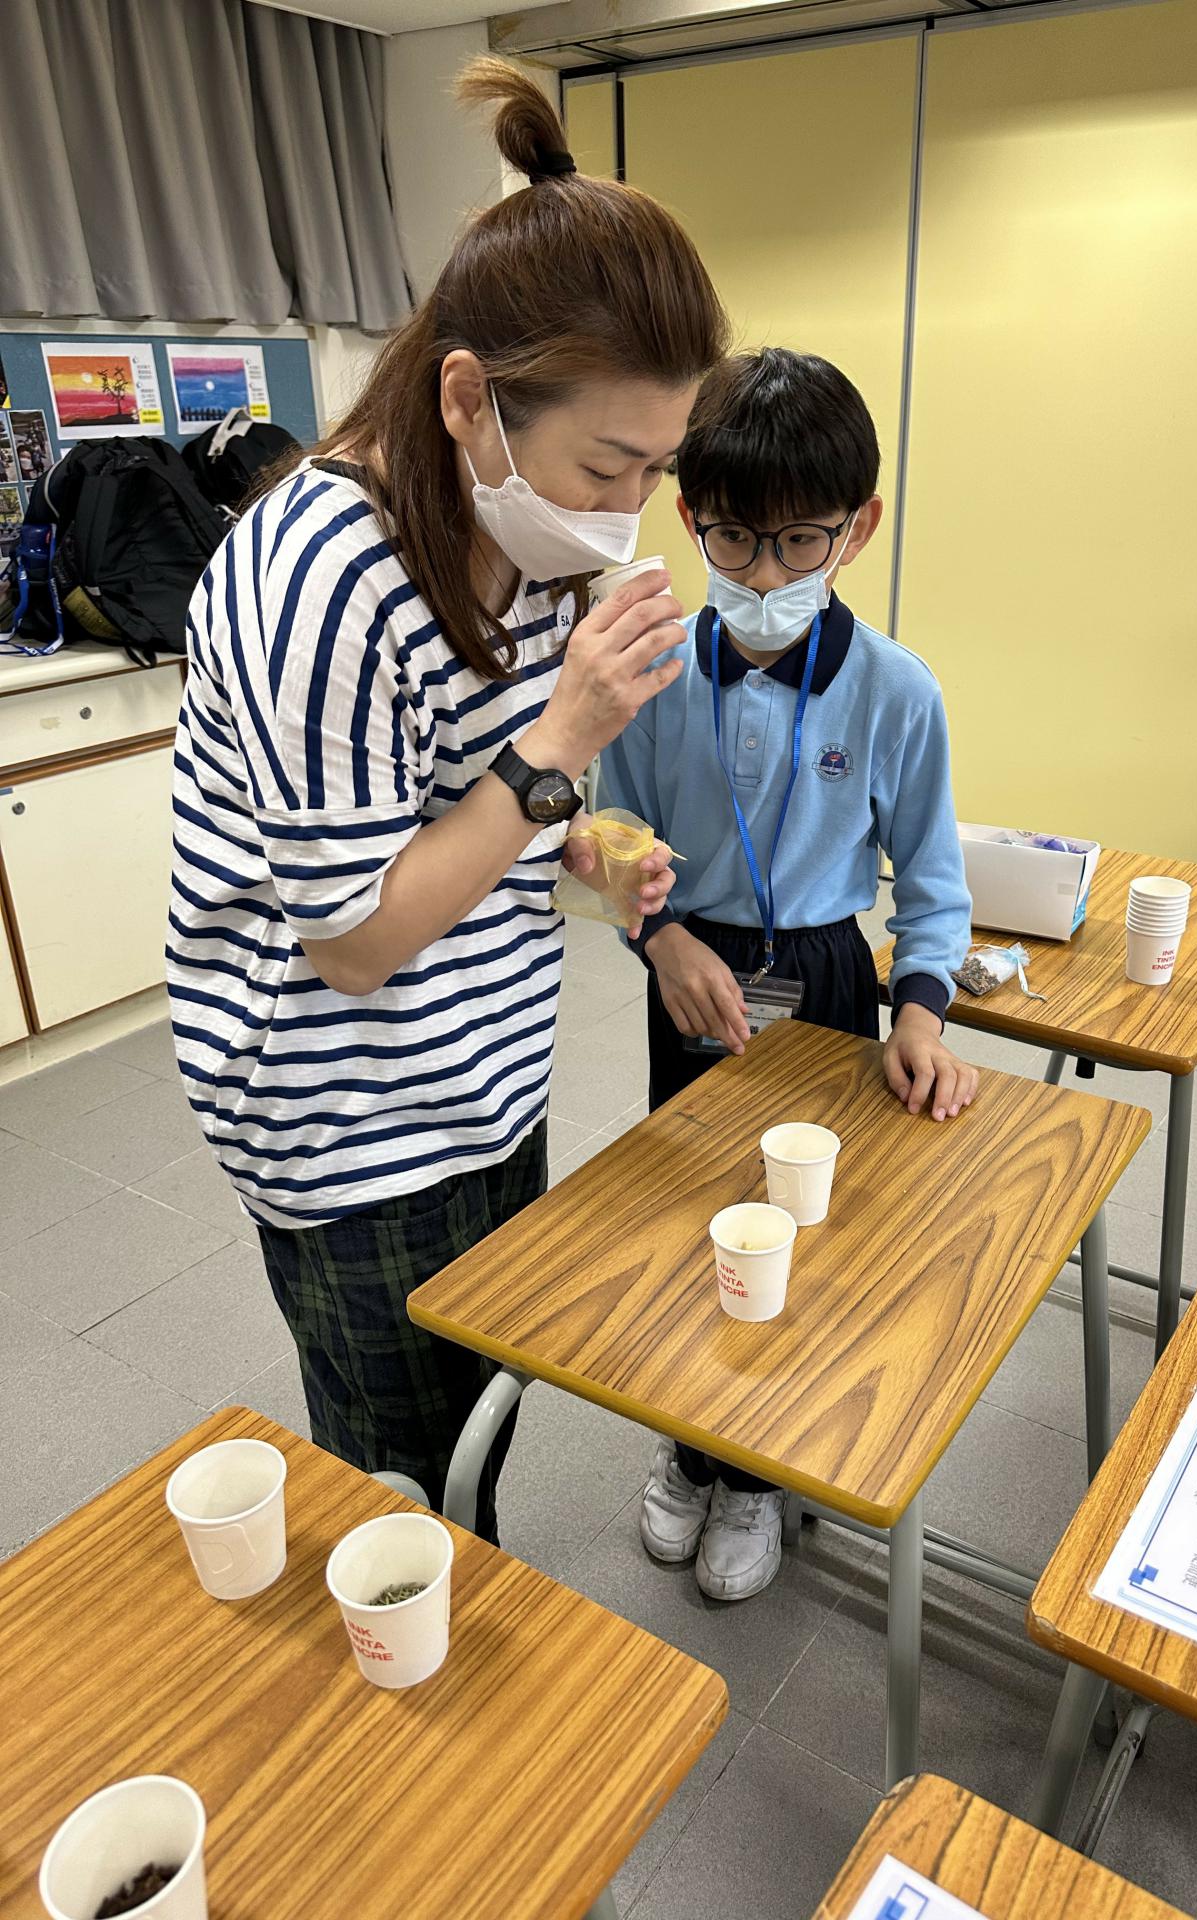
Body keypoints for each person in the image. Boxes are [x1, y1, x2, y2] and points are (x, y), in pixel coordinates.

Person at [167, 58, 727, 1543]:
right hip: (345, 1111)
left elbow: (478, 807)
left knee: (483, 1411)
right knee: (403, 1481)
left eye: (655, 470)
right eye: (606, 465)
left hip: (484, 1073)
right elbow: (355, 936)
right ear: (470, 397)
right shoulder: (319, 575)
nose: (624, 515)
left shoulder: (526, 538)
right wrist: (559, 745)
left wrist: (589, 845)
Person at [599, 347, 976, 1600]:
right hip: (692, 968)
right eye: (733, 540)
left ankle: (757, 1472)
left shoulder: (896, 691)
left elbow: (932, 881)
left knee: (802, 1230)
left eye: (800, 542)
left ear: (858, 527)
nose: (763, 576)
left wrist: (921, 1013)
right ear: (688, 518)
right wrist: (658, 938)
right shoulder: (652, 674)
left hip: (824, 975)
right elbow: (613, 834)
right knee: (689, 1213)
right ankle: (687, 1444)